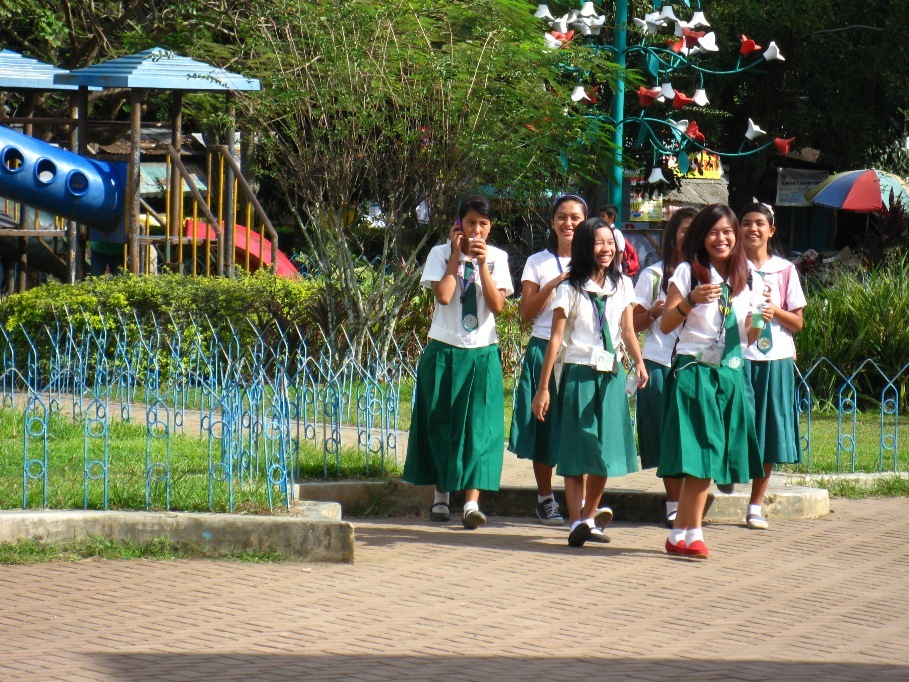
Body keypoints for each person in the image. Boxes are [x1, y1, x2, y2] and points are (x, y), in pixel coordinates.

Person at [531, 218, 648, 547]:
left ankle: (589, 517)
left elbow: (627, 330)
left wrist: (639, 363)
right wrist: (543, 388)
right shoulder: (569, 288)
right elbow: (555, 339)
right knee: (577, 449)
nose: (606, 249)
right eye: (598, 242)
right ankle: (576, 522)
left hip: (610, 375)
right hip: (578, 373)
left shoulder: (622, 285)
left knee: (604, 450)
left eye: (610, 242)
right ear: (585, 246)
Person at [657, 204, 764, 559]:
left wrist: (761, 318)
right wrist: (690, 300)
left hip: (729, 372)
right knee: (703, 453)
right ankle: (695, 533)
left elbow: (747, 336)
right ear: (702, 237)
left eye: (727, 232)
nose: (721, 239)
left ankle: (679, 534)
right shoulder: (688, 271)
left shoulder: (747, 277)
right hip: (694, 371)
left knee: (711, 453)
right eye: (713, 232)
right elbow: (666, 324)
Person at [403, 195, 514, 529]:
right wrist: (456, 256)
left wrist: (481, 264)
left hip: (482, 350)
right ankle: (441, 495)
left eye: (483, 224)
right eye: (470, 222)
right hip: (445, 349)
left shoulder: (497, 258)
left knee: (479, 428)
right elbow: (444, 295)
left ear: (490, 227)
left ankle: (471, 503)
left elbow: (497, 306)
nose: (476, 230)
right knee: (442, 424)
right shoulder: (440, 254)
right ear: (458, 224)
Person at [509, 194, 586, 525]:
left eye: (575, 218)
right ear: (552, 222)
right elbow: (525, 313)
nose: (568, 223)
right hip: (544, 347)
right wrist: (555, 283)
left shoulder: (595, 260)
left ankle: (581, 505)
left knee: (580, 427)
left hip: (580, 352)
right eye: (562, 217)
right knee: (544, 426)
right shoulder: (537, 262)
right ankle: (545, 498)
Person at [740, 202, 806, 530]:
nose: (753, 229)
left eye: (759, 223)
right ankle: (728, 475)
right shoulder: (731, 269)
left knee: (769, 432)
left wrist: (774, 311)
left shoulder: (785, 270)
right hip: (739, 356)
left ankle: (755, 503)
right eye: (746, 223)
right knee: (736, 424)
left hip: (775, 357)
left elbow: (797, 323)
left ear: (771, 230)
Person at [631, 207, 698, 528]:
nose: (692, 236)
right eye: (685, 230)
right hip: (660, 364)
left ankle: (690, 501)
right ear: (673, 236)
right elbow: (631, 323)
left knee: (693, 436)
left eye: (697, 230)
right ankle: (674, 504)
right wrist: (654, 314)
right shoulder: (654, 275)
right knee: (666, 438)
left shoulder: (711, 276)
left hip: (695, 366)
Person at [599, 204, 640, 278]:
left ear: (611, 218)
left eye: (603, 216)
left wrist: (617, 268)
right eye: (600, 216)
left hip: (614, 271)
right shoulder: (604, 231)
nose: (601, 218)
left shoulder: (616, 232)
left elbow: (621, 251)